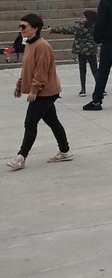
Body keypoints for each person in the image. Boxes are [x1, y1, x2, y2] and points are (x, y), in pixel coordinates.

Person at [8, 14, 73, 170]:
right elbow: (26, 69)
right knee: (52, 121)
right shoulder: (29, 44)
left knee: (30, 123)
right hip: (42, 91)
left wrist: (34, 90)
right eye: (20, 26)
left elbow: (41, 72)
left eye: (24, 26)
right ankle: (65, 151)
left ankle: (21, 157)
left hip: (46, 91)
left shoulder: (42, 46)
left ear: (35, 28)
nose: (20, 29)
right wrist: (19, 86)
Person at [51, 9, 99, 97]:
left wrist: (52, 29)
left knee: (82, 70)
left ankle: (83, 89)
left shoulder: (80, 27)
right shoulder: (95, 26)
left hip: (81, 51)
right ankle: (100, 88)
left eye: (84, 17)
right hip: (91, 51)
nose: (82, 18)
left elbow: (67, 29)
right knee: (95, 70)